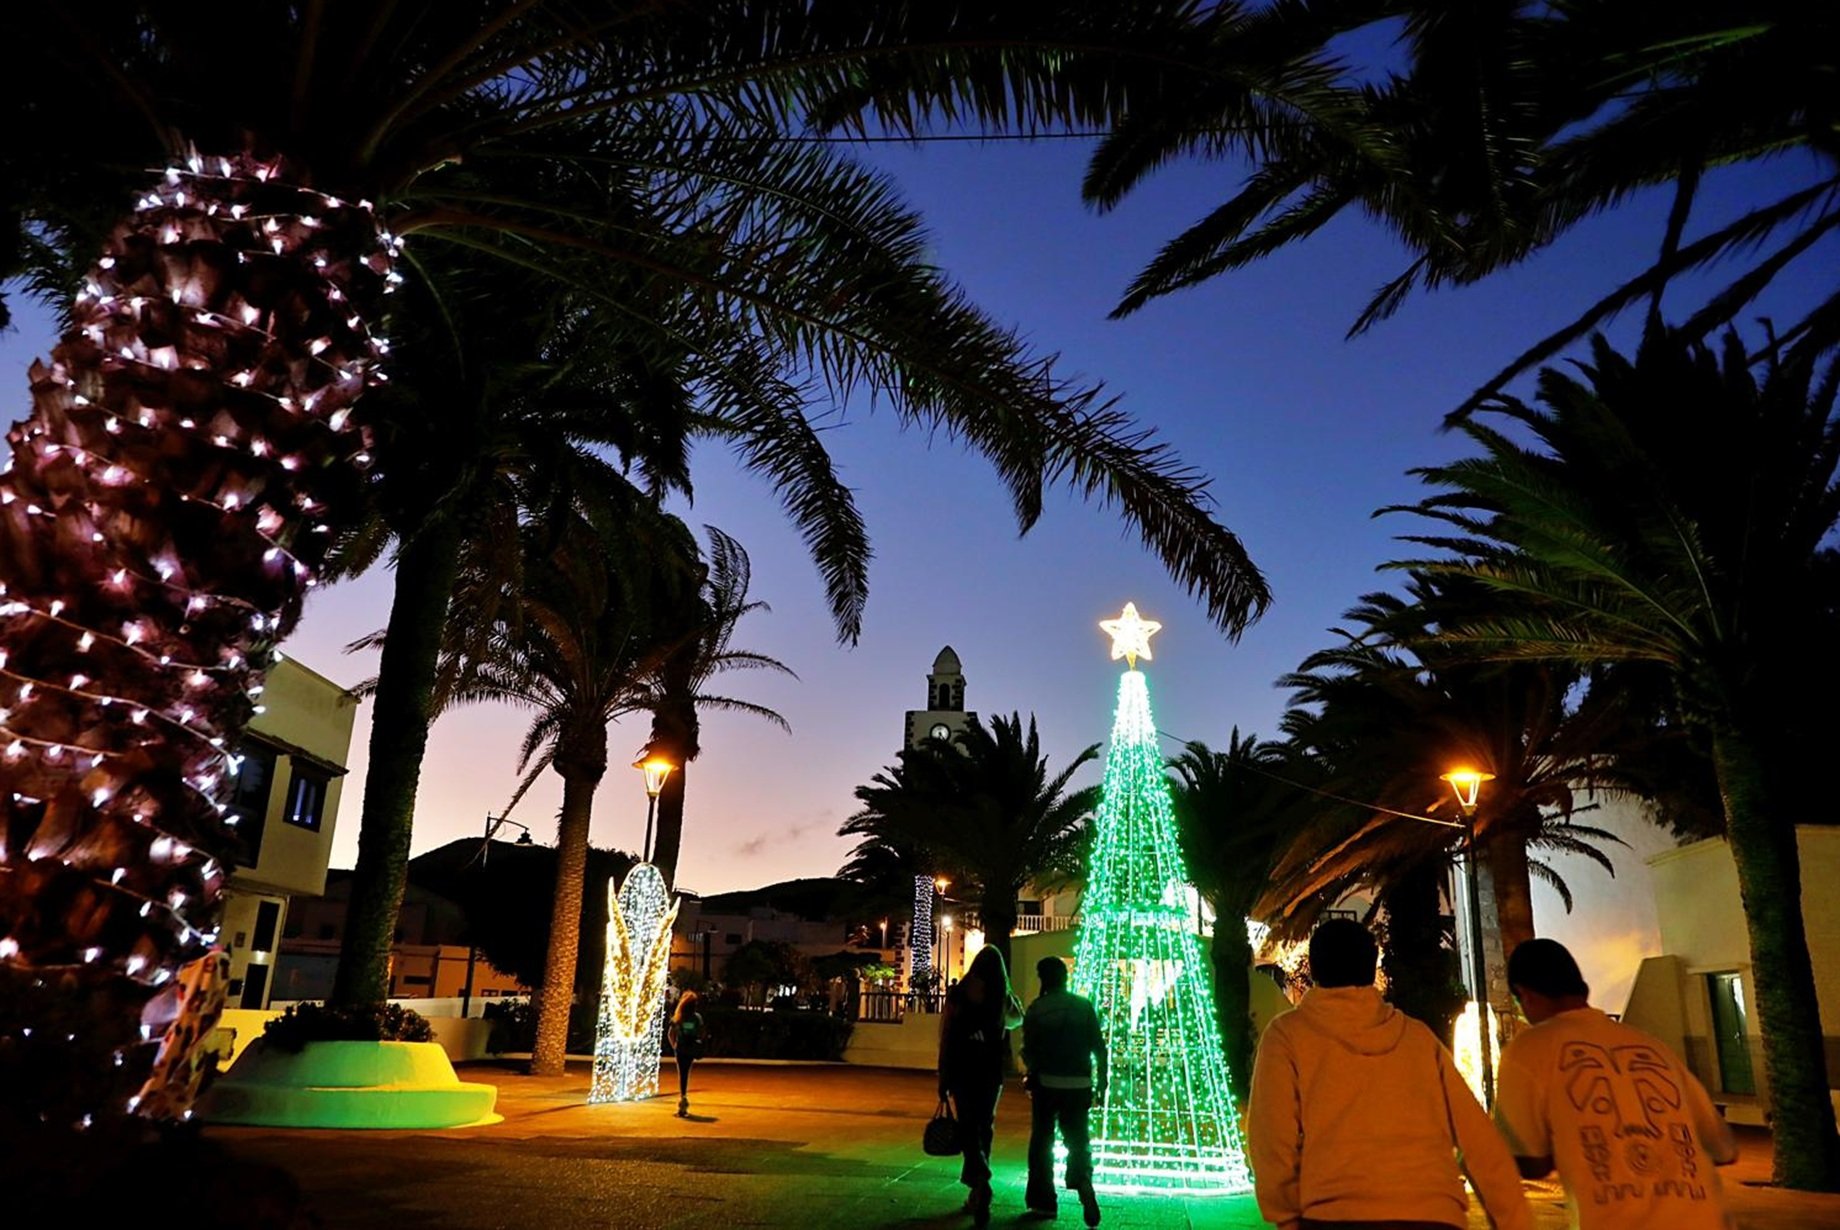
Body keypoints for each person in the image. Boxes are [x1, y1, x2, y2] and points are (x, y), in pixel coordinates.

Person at [1247, 918, 1534, 1230]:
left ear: (1313, 968)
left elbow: (1271, 1137)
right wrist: (1513, 1220)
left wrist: (1286, 1215)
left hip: (1337, 1214)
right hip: (1434, 1214)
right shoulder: (1417, 1038)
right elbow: (1479, 1139)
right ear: (1373, 969)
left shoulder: (1287, 1036)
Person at [1494, 938, 1737, 1230]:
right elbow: (1723, 1149)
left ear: (1524, 994)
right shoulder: (1650, 1046)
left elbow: (1530, 1161)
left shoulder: (1528, 1050)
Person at [938, 946, 1025, 1226]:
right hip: (990, 1071)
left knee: (967, 1126)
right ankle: (978, 1187)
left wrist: (944, 1076)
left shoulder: (960, 994)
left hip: (963, 1069)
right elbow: (1017, 1019)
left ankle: (980, 1179)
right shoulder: (1001, 998)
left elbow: (947, 1036)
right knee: (984, 1126)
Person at [1021, 956, 1107, 1227]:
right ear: (1065, 977)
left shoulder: (1037, 1009)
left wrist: (1032, 1073)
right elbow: (1099, 1047)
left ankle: (1043, 1201)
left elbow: (1029, 1051)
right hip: (1079, 1084)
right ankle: (1082, 1181)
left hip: (1047, 1084)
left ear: (1043, 978)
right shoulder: (1083, 1006)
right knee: (1078, 1139)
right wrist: (1101, 1083)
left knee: (1042, 1141)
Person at [668, 990, 705, 1118]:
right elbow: (701, 1033)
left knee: (682, 1074)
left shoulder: (678, 1017)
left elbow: (670, 1034)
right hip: (690, 1049)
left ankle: (683, 1098)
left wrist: (675, 1046)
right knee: (686, 1073)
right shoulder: (696, 1018)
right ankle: (683, 1099)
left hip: (681, 1049)